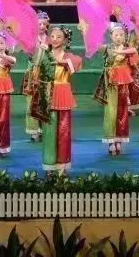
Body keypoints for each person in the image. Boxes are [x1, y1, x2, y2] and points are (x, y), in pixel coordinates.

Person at [40, 26, 82, 174]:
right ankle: (49, 164)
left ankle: (62, 165)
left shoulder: (69, 56)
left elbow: (75, 64)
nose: (55, 39)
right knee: (49, 131)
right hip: (48, 94)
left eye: (59, 37)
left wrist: (60, 61)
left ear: (65, 40)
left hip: (63, 93)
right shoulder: (44, 54)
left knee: (64, 131)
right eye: (52, 36)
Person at [94, 24, 138, 156]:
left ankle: (119, 138)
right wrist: (92, 31)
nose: (118, 37)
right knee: (111, 110)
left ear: (125, 37)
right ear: (111, 36)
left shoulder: (127, 49)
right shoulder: (107, 48)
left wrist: (119, 52)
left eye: (121, 35)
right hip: (111, 82)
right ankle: (110, 140)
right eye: (116, 35)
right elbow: (96, 46)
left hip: (123, 81)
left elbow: (134, 51)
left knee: (122, 110)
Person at [22, 11, 51, 142]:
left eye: (44, 24)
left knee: (44, 100)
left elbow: (53, 55)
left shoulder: (50, 39)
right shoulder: (31, 38)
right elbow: (28, 54)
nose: (41, 26)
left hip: (45, 74)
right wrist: (34, 48)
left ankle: (44, 127)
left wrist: (48, 49)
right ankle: (34, 130)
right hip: (33, 73)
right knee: (31, 101)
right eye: (39, 24)